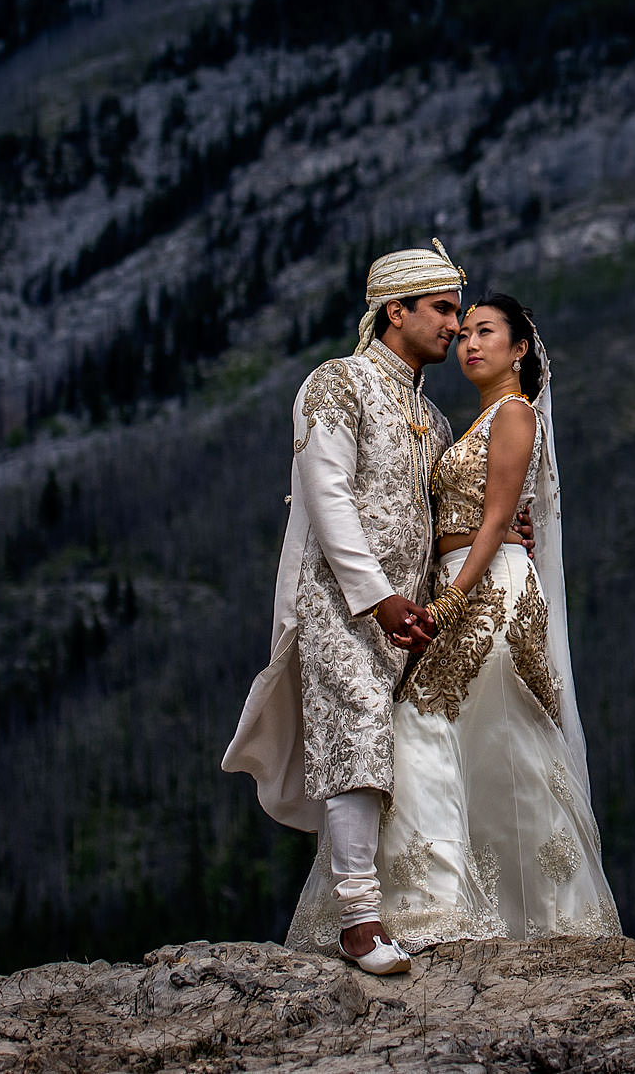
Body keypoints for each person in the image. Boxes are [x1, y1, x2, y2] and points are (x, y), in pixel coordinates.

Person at [282, 293, 619, 954]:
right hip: (465, 589)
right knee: (496, 743)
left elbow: (494, 522)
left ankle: (424, 905)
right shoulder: (452, 422)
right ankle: (521, 909)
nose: (467, 341)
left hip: (484, 598)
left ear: (521, 348)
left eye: (483, 330)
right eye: (461, 329)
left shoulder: (513, 412)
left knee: (420, 730)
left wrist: (448, 600)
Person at [222, 242, 464, 975]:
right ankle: (359, 921)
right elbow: (327, 496)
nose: (455, 325)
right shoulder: (338, 383)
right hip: (339, 600)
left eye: (458, 310)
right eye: (443, 309)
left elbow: (435, 516)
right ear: (396, 310)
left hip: (407, 616)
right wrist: (378, 598)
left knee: (407, 752)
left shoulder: (435, 419)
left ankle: (414, 904)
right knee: (356, 730)